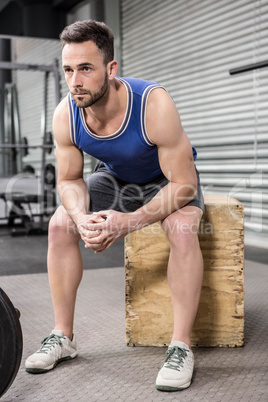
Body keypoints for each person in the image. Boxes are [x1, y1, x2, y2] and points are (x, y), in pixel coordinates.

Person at [25, 19, 204, 392]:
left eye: (86, 69)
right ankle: (63, 336)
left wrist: (130, 222)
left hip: (168, 181)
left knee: (183, 229)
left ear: (110, 69)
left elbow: (184, 183)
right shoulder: (66, 114)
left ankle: (181, 345)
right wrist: (81, 218)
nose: (75, 80)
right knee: (60, 225)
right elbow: (69, 179)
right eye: (69, 70)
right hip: (115, 178)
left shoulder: (153, 104)